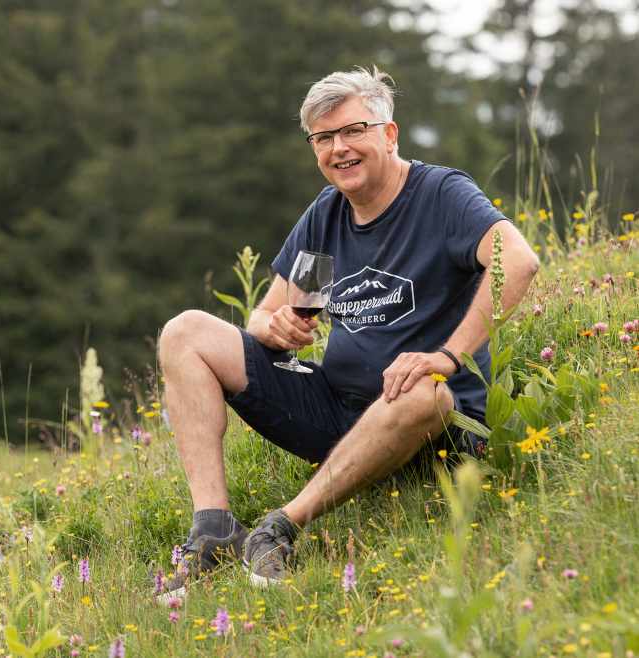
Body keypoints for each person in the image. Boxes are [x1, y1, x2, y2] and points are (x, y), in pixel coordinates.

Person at [157, 66, 539, 598]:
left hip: (430, 425)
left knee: (423, 392)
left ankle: (281, 526)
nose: (340, 148)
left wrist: (448, 358)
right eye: (324, 137)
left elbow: (516, 261)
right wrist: (279, 326)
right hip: (337, 409)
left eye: (354, 130)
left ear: (389, 133)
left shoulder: (440, 194)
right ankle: (214, 528)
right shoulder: (327, 214)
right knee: (185, 331)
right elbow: (265, 315)